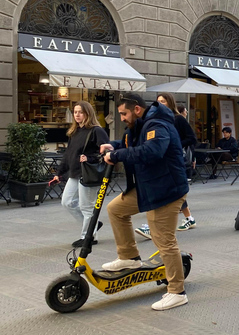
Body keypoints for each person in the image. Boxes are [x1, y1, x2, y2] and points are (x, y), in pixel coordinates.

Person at [99, 93, 189, 311]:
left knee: (163, 240)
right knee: (116, 209)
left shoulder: (157, 124)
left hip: (166, 190)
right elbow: (131, 143)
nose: (121, 118)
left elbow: (153, 151)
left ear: (137, 109)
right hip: (148, 187)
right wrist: (112, 146)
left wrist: (118, 155)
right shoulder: (141, 125)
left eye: (123, 113)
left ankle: (177, 291)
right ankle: (129, 257)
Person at [135, 94, 198, 240]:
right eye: (158, 101)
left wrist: (174, 144)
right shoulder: (154, 120)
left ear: (170, 103)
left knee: (167, 191)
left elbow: (192, 138)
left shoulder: (177, 119)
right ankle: (189, 218)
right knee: (172, 192)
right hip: (161, 161)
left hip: (173, 160)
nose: (160, 104)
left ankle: (154, 227)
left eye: (163, 101)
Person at [50, 101, 108, 248]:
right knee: (67, 202)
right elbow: (68, 154)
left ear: (88, 113)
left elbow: (106, 152)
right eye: (75, 112)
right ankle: (93, 225)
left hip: (89, 173)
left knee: (86, 207)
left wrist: (90, 158)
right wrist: (59, 173)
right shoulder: (74, 132)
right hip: (75, 173)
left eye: (80, 112)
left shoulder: (96, 131)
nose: (77, 115)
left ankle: (88, 237)